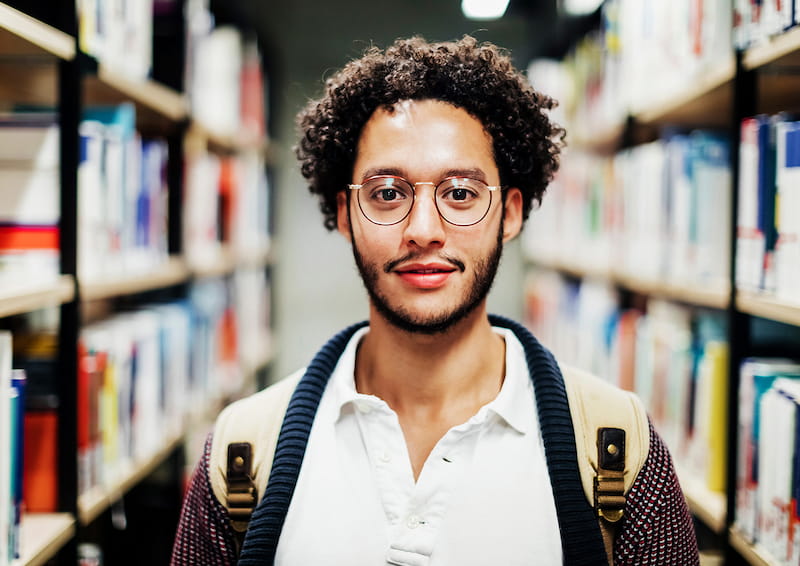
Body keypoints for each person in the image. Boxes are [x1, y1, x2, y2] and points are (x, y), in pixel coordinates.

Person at [171, 35, 699, 566]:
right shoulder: (241, 453)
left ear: (510, 214)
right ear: (345, 215)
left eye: (461, 194)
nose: (424, 230)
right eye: (387, 193)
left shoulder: (619, 450)